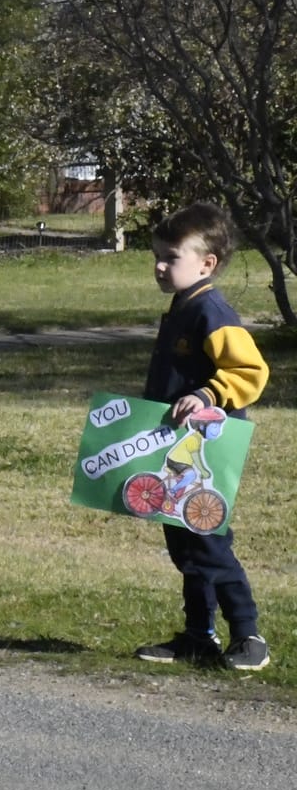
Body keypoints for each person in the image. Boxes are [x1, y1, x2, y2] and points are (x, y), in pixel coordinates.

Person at [132, 202, 269, 670]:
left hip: (208, 448)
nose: (159, 266)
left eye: (171, 257)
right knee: (183, 541)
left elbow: (251, 371)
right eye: (157, 256)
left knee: (208, 542)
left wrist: (210, 393)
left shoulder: (211, 310)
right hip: (176, 447)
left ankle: (249, 636)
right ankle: (198, 635)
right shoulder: (182, 307)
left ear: (206, 263)